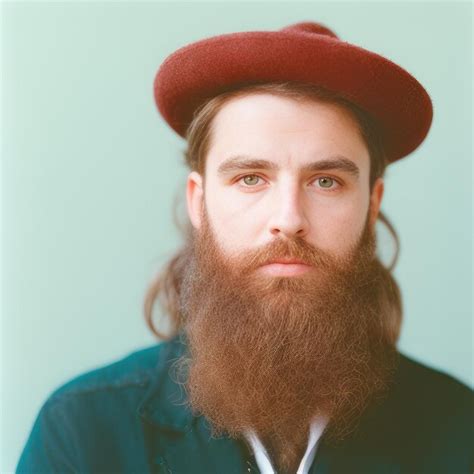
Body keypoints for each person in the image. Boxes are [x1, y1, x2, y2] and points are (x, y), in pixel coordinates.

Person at [17, 21, 472, 474]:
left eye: (326, 181)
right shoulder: (82, 433)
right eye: (250, 178)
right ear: (199, 201)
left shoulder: (459, 430)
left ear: (372, 205)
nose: (289, 219)